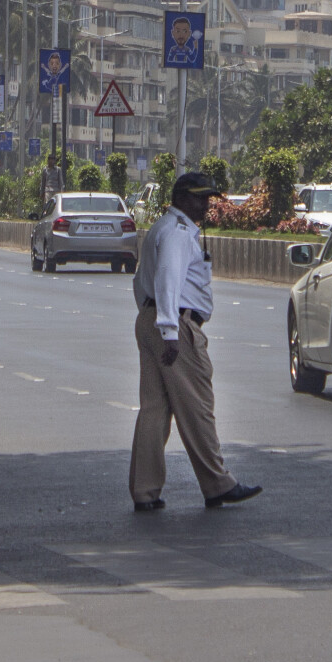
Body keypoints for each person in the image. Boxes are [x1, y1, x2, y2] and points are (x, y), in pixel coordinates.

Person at [128, 172, 261, 513]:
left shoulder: (163, 227)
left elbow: (141, 282)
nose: (205, 205)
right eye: (200, 198)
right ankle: (218, 483)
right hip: (176, 326)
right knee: (197, 405)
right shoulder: (179, 232)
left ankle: (145, 490)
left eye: (208, 199)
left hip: (152, 318)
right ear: (181, 199)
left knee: (155, 409)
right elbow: (168, 279)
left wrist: (155, 319)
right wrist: (170, 331)